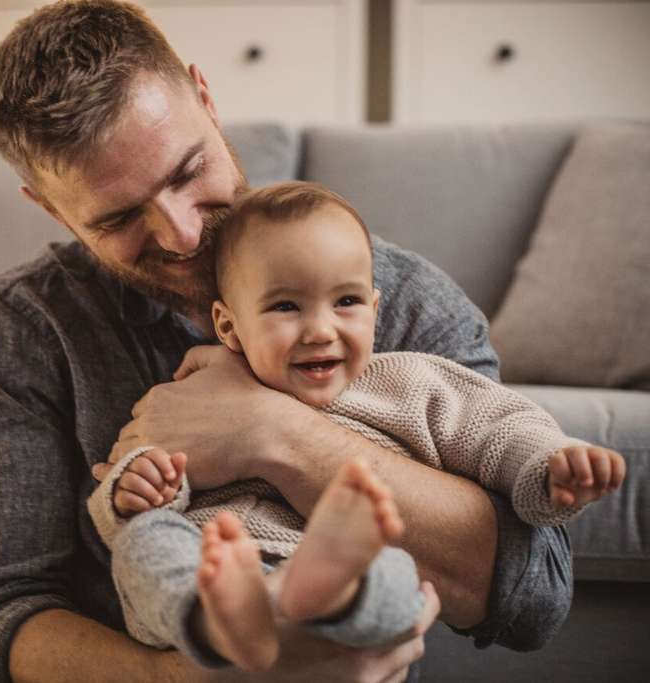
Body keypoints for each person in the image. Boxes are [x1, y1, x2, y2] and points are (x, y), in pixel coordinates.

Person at [0, 2, 573, 682]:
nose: (182, 234)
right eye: (121, 216)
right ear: (48, 205)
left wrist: (269, 431)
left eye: (188, 171)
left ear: (206, 99)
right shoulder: (18, 326)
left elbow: (534, 594)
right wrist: (185, 678)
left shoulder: (404, 298)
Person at [88, 181, 625, 672]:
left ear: (374, 309)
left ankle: (331, 591)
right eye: (285, 307)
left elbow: (498, 428)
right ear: (229, 325)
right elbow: (146, 479)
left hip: (348, 584)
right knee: (145, 544)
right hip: (224, 572)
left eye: (345, 302)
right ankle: (223, 623)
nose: (321, 330)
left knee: (391, 563)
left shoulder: (410, 383)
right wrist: (138, 488)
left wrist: (548, 465)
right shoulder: (193, 398)